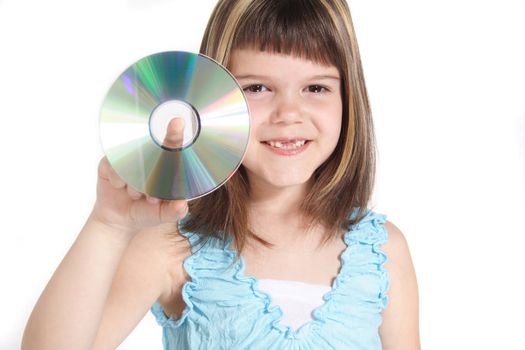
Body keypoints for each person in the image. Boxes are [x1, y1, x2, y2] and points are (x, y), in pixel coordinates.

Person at [21, 0, 420, 349]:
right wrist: (107, 225)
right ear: (212, 95)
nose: (289, 114)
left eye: (316, 88)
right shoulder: (173, 248)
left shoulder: (382, 251)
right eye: (257, 88)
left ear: (349, 98)